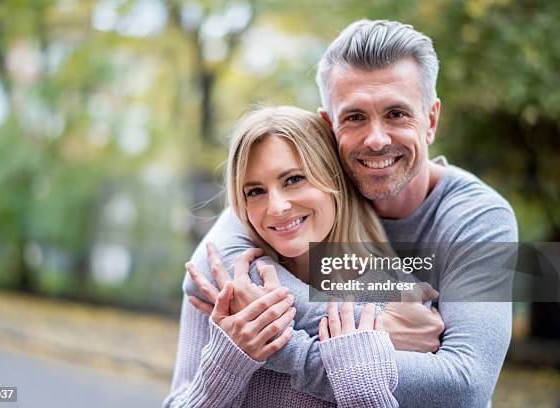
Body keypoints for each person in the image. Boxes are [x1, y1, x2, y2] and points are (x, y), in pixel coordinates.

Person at [180, 19, 518, 408]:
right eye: (355, 117)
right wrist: (376, 326)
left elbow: (463, 388)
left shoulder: (478, 218)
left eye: (396, 113)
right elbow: (209, 273)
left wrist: (281, 346)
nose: (376, 139)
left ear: (431, 120)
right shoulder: (306, 184)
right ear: (329, 126)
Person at [164, 106, 436, 407]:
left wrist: (358, 386)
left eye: (293, 179)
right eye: (255, 191)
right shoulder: (230, 290)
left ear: (334, 179)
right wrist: (229, 359)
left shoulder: (401, 302)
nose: (276, 207)